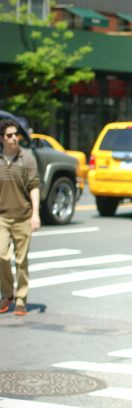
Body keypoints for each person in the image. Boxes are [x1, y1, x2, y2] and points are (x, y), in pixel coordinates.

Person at [0, 118, 41, 315]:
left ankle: (21, 299)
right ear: (1, 139)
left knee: (21, 260)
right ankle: (7, 293)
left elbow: (34, 187)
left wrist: (36, 214)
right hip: (2, 217)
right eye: (9, 135)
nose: (14, 138)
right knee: (1, 255)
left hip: (23, 216)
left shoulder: (28, 158)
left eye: (16, 134)